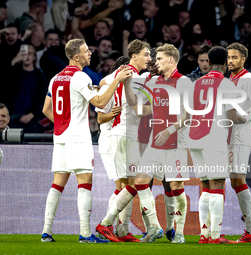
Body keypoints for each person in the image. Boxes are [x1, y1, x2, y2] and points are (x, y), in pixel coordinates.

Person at [41, 38, 132, 243]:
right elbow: (98, 102)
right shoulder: (80, 77)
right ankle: (85, 234)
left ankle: (46, 232)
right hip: (78, 138)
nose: (90, 53)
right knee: (84, 185)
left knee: (57, 184)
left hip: (61, 137)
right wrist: (116, 81)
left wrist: (63, 123)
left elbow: (46, 109)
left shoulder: (55, 78)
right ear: (76, 56)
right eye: (85, 51)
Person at [124, 44, 192, 243]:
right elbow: (140, 110)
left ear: (171, 60)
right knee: (140, 182)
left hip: (176, 143)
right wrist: (127, 85)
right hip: (155, 144)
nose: (156, 62)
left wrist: (169, 130)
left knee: (176, 186)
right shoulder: (155, 82)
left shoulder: (184, 82)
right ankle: (154, 227)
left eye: (160, 59)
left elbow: (188, 115)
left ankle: (178, 232)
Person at [187, 46, 248, 244]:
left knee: (205, 185)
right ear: (224, 63)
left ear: (210, 61)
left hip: (194, 138)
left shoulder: (196, 84)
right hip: (213, 138)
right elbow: (232, 117)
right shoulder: (226, 84)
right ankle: (215, 236)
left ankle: (204, 235)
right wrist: (245, 118)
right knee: (218, 184)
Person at [96, 39, 151, 243]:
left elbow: (102, 82)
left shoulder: (123, 73)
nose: (149, 58)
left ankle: (119, 229)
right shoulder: (132, 74)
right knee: (132, 184)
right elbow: (135, 106)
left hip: (124, 133)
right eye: (146, 54)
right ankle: (107, 224)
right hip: (121, 134)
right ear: (134, 56)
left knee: (128, 184)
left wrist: (110, 81)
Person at [227, 43, 251, 243]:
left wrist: (244, 116)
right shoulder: (231, 79)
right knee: (234, 181)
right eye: (228, 57)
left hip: (240, 137)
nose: (230, 61)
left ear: (243, 60)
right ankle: (250, 230)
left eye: (235, 57)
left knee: (238, 181)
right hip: (229, 137)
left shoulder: (248, 79)